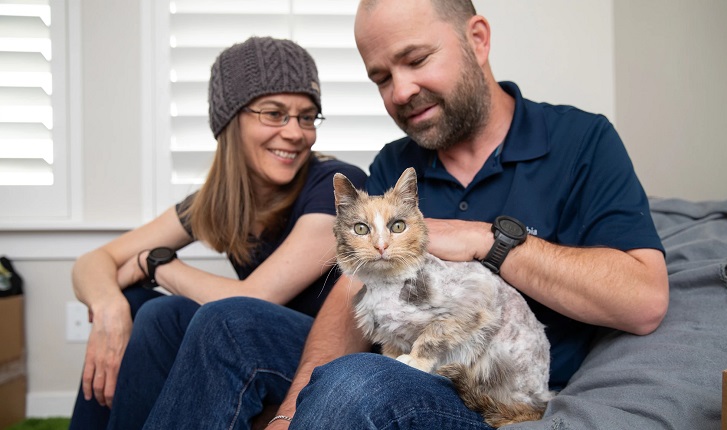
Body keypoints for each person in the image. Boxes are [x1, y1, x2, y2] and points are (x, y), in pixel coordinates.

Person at [141, 1, 669, 429]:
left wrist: (487, 240)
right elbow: (352, 294)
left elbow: (644, 300)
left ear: (478, 39)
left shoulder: (581, 141)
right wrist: (290, 409)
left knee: (359, 380)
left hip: (489, 385)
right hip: (402, 351)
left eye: (415, 60)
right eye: (380, 77)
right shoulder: (396, 163)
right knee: (224, 321)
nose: (400, 92)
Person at [67, 36, 367, 430]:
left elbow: (256, 298)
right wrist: (109, 308)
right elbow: (93, 262)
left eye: (307, 116)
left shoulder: (337, 185)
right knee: (142, 305)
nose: (296, 133)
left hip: (329, 349)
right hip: (256, 338)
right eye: (274, 113)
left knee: (177, 311)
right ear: (230, 120)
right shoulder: (221, 201)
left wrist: (158, 265)